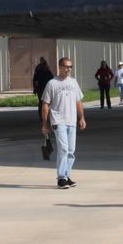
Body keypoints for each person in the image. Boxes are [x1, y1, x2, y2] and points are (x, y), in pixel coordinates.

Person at [40, 56, 86, 188]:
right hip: (58, 120)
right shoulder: (52, 83)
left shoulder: (73, 83)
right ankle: (61, 178)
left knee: (71, 150)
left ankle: (66, 175)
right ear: (60, 67)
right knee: (63, 149)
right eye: (66, 66)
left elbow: (78, 101)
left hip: (71, 121)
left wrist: (81, 117)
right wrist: (44, 123)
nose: (69, 69)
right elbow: (45, 105)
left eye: (70, 67)